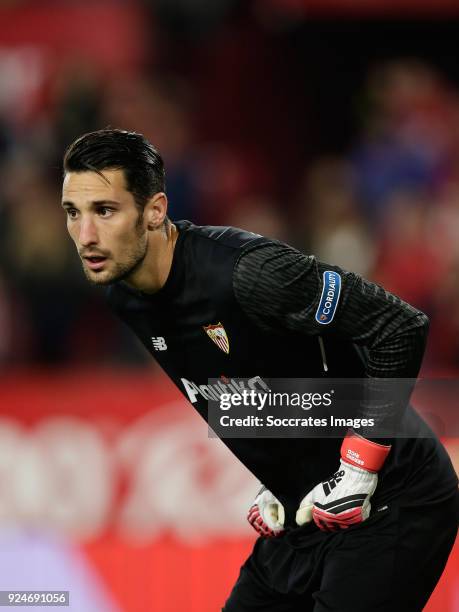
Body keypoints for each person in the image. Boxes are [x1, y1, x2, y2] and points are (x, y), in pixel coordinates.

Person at [61, 128, 458, 612]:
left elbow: (398, 326)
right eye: (73, 213)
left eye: (105, 211)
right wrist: (279, 468)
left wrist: (361, 461)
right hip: (304, 510)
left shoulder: (248, 272)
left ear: (155, 210)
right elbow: (246, 376)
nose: (85, 236)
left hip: (396, 496)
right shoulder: (124, 293)